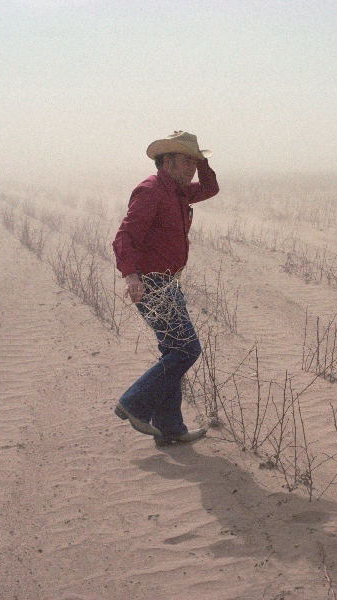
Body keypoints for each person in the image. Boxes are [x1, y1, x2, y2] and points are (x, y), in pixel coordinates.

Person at [112, 131, 219, 446]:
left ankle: (170, 428)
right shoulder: (152, 191)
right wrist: (131, 276)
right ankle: (133, 404)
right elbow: (124, 237)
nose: (192, 167)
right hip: (152, 285)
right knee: (187, 350)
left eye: (194, 161)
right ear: (167, 160)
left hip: (167, 282)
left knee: (175, 352)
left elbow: (211, 187)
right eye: (187, 160)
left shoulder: (179, 192)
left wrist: (203, 162)